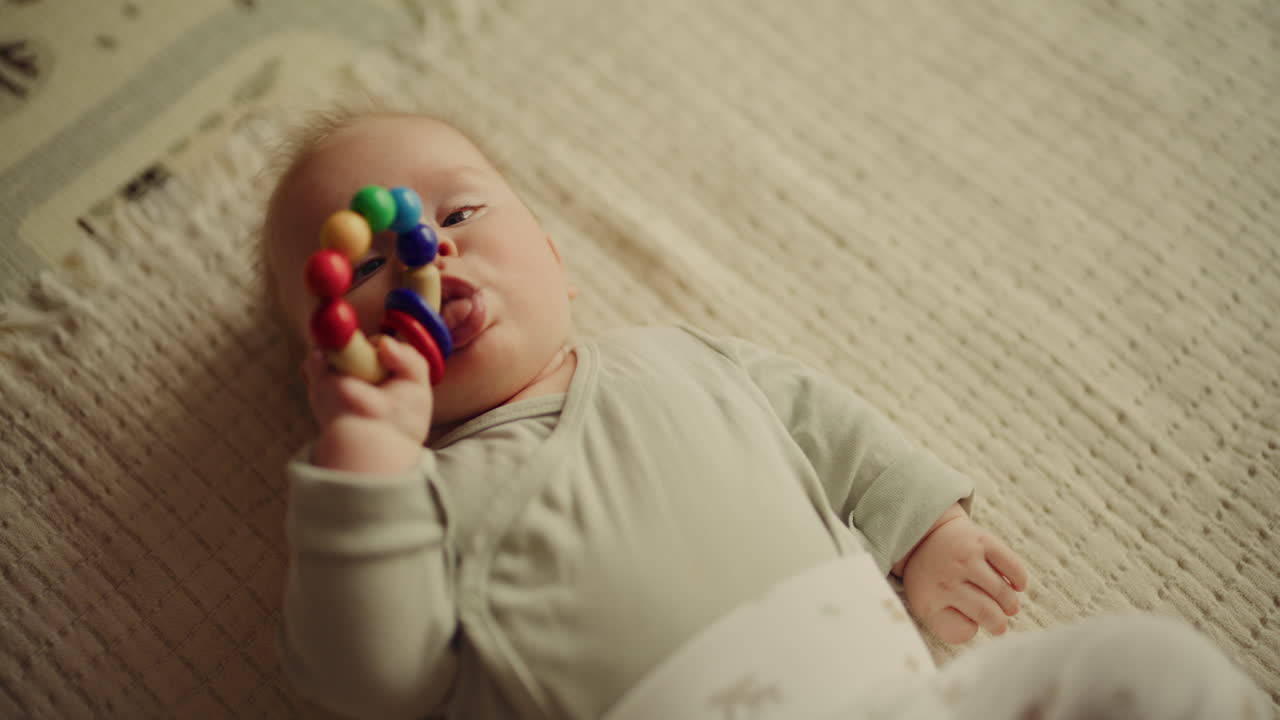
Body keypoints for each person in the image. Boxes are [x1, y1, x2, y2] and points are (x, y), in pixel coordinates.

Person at [262, 109, 1271, 720]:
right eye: (370, 264)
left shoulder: (679, 359)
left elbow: (828, 428)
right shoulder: (413, 505)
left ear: (558, 264)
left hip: (898, 702)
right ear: (332, 355)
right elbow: (373, 685)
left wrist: (925, 527)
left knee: (1145, 665)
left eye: (457, 215)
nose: (428, 259)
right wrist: (367, 463)